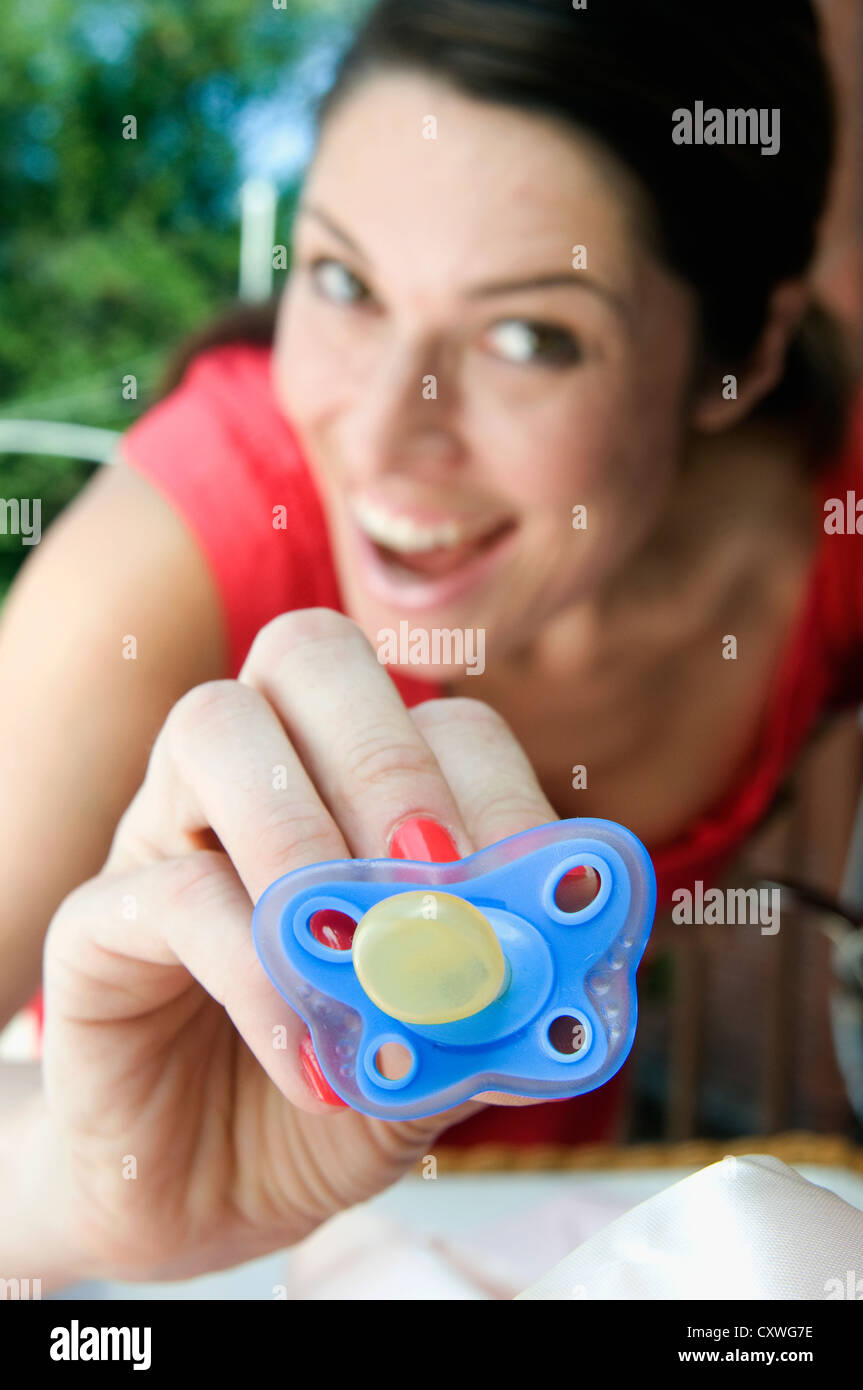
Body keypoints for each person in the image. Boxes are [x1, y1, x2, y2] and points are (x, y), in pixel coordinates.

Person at [0, 0, 861, 1280]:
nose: (385, 443)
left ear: (737, 357)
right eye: (342, 279)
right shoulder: (186, 544)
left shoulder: (828, 536)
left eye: (529, 336)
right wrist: (81, 1190)